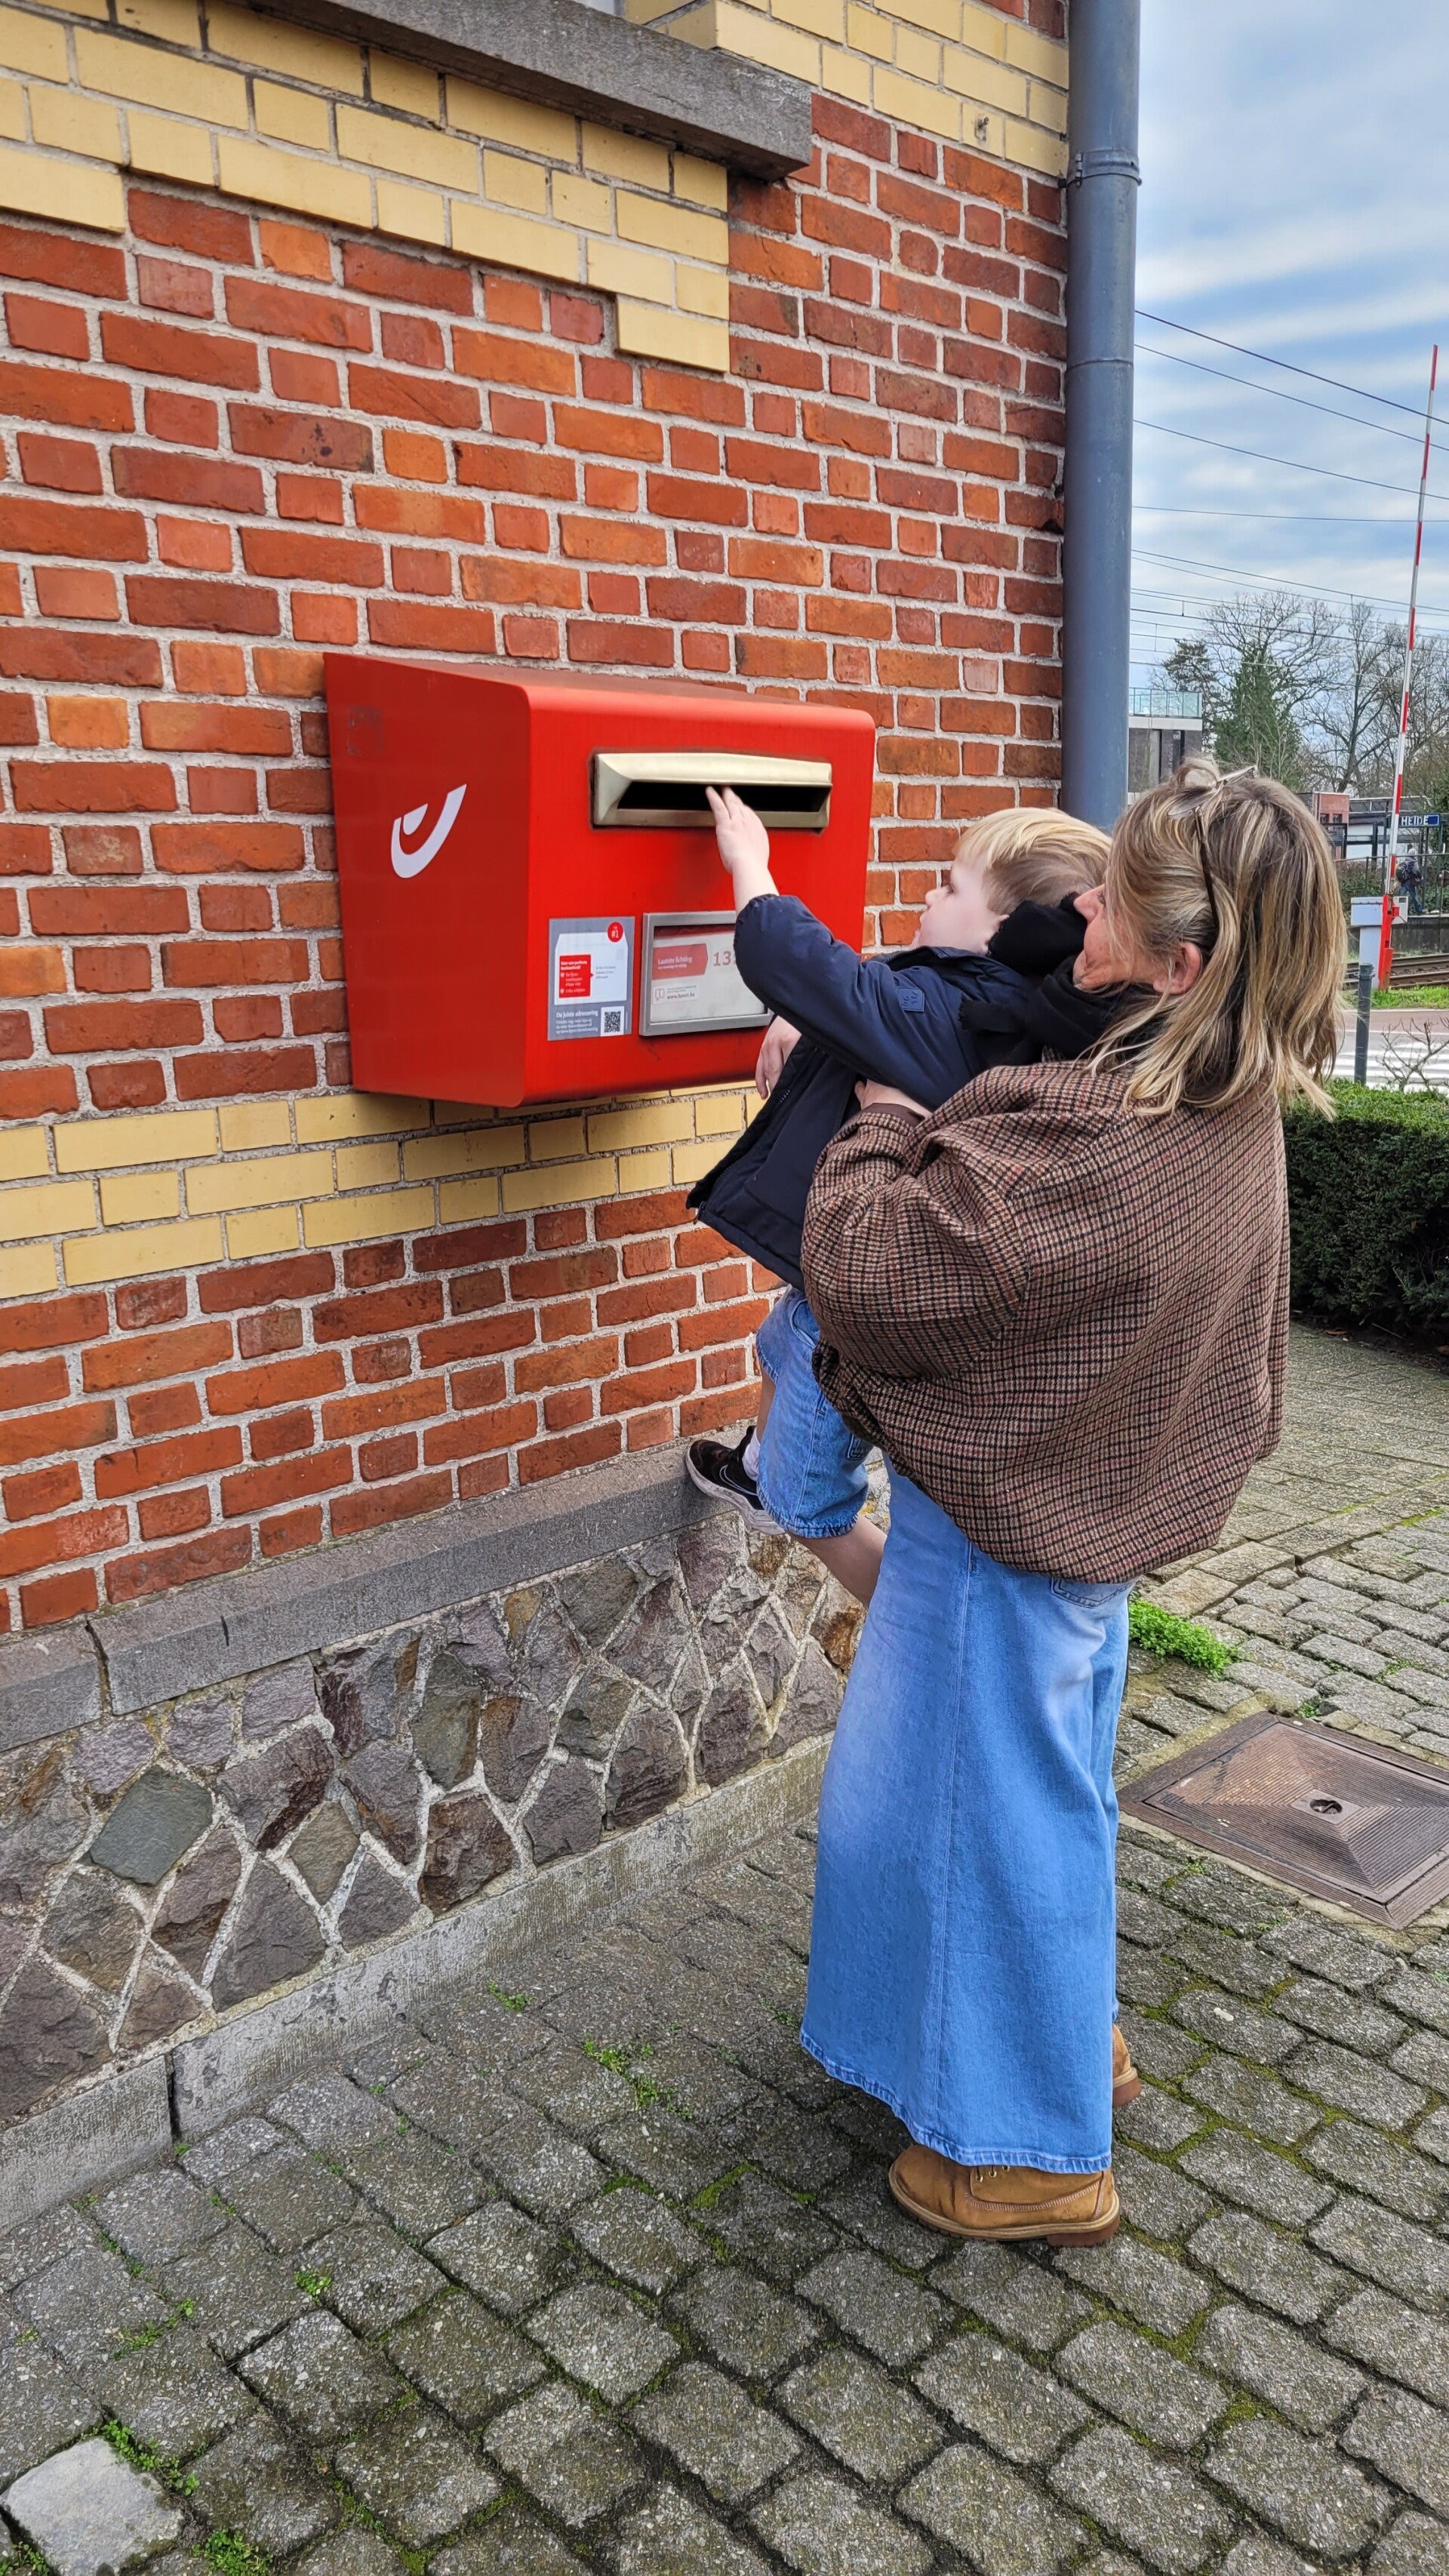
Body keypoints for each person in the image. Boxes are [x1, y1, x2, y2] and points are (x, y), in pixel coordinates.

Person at [797, 758, 1346, 2245]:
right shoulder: (1222, 1098)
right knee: (1043, 1809)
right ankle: (1065, 2046)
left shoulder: (1104, 1139)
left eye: (1110, 898)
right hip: (1085, 1524)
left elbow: (872, 1272)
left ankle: (1034, 2156)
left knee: (987, 1826)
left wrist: (881, 1117)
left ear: (1182, 965)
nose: (1082, 906)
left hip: (1013, 1535)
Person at [685, 792, 1115, 1605]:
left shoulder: (946, 1016)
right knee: (777, 1341)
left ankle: (914, 1618)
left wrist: (750, 865)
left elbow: (801, 962)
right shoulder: (1011, 1009)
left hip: (857, 1302)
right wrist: (811, 1020)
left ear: (1007, 925)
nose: (926, 893)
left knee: (807, 1499)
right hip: (864, 1279)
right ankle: (757, 1466)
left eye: (949, 885)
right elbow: (885, 987)